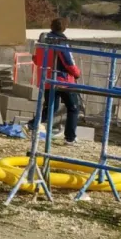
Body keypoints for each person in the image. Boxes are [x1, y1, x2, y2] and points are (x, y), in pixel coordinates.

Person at [31, 17, 82, 145]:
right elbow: (68, 61)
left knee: (51, 108)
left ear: (51, 26)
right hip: (62, 80)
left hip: (46, 79)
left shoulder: (43, 39)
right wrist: (77, 73)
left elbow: (36, 59)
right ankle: (70, 138)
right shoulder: (61, 41)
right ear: (65, 27)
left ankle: (31, 126)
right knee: (73, 107)